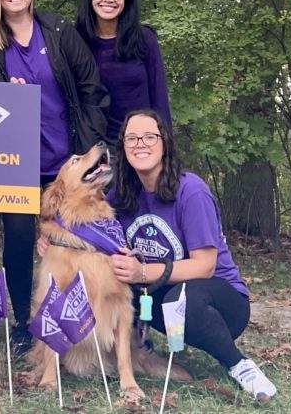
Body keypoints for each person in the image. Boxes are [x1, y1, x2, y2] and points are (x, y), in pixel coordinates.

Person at [0, 0, 108, 354]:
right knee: (18, 240)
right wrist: (5, 92)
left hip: (66, 161)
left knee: (78, 240)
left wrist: (88, 149)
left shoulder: (60, 30)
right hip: (16, 165)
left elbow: (90, 89)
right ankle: (21, 322)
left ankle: (82, 320)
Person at [107, 109, 277, 402]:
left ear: (165, 143)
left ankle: (240, 365)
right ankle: (139, 347)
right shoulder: (123, 193)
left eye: (150, 136)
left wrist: (143, 273)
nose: (140, 144)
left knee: (178, 298)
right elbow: (85, 216)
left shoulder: (191, 190)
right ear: (123, 147)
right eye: (132, 138)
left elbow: (205, 266)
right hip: (161, 297)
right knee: (111, 273)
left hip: (220, 304)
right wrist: (51, 234)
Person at [75, 0, 171, 141]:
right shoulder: (76, 42)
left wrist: (164, 144)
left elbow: (160, 98)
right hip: (96, 147)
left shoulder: (144, 38)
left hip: (140, 143)